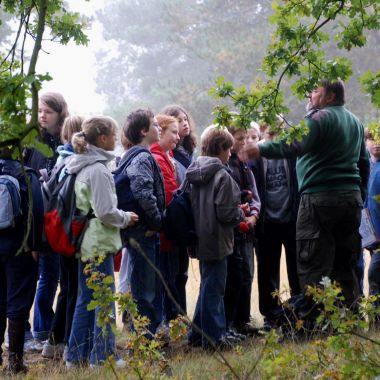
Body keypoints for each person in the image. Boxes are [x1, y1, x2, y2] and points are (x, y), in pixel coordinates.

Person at [241, 80, 369, 325]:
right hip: (349, 199)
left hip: (319, 199)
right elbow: (363, 163)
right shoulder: (355, 122)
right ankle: (350, 320)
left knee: (313, 262)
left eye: (315, 91)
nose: (310, 95)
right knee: (346, 262)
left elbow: (294, 143)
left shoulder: (319, 118)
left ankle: (314, 324)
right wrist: (359, 194)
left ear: (330, 96)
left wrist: (261, 149)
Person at [64, 116, 138, 368]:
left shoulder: (82, 164)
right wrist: (127, 217)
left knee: (87, 298)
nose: (116, 139)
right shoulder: (97, 169)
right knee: (104, 299)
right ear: (103, 138)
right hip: (97, 242)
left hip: (86, 241)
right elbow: (105, 210)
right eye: (113, 135)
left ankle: (75, 356)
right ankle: (103, 357)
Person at [187, 125, 245, 350]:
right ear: (221, 148)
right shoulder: (222, 176)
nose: (230, 154)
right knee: (215, 289)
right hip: (218, 240)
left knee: (207, 285)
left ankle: (196, 334)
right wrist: (241, 212)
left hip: (199, 237)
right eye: (229, 149)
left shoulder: (193, 172)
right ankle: (213, 338)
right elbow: (227, 213)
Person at [23, 92, 69, 351]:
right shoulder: (31, 143)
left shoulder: (63, 140)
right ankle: (39, 328)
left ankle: (46, 328)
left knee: (54, 276)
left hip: (58, 218)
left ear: (59, 113)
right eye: (40, 110)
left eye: (48, 111)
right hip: (37, 219)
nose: (43, 115)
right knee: (45, 276)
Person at [250, 121, 301, 330]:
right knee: (267, 271)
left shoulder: (291, 153)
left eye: (278, 130)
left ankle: (299, 310)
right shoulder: (257, 156)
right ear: (262, 132)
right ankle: (271, 316)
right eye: (270, 131)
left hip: (291, 220)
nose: (274, 135)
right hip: (266, 222)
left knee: (296, 269)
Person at [41, 116, 84, 359]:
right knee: (72, 289)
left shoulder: (60, 159)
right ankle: (66, 341)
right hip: (72, 233)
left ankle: (54, 341)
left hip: (60, 233)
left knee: (66, 287)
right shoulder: (73, 162)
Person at [121, 109, 165, 336]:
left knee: (144, 285)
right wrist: (156, 221)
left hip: (139, 229)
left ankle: (145, 336)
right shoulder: (141, 157)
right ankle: (144, 341)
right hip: (143, 231)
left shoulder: (134, 154)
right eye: (155, 124)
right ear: (143, 131)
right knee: (144, 289)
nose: (159, 128)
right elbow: (142, 191)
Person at [0, 148, 44, 374]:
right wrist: (35, 246)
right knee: (17, 303)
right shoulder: (27, 174)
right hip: (20, 248)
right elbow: (37, 212)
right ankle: (15, 363)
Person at [224, 126, 261, 337]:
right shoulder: (226, 165)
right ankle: (231, 322)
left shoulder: (244, 164)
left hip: (248, 229)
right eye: (240, 138)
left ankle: (243, 320)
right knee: (234, 277)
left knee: (247, 273)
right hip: (233, 230)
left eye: (247, 138)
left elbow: (254, 195)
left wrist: (254, 214)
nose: (245, 142)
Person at [161, 104, 197, 314]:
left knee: (180, 273)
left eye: (185, 119)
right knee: (172, 273)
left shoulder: (187, 151)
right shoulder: (168, 155)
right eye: (178, 122)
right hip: (175, 219)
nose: (184, 124)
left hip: (185, 217)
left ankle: (180, 317)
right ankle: (174, 318)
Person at [151, 114, 181, 323]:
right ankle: (161, 324)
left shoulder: (166, 156)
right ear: (159, 131)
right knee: (162, 280)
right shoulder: (156, 157)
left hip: (169, 230)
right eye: (174, 132)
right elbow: (171, 192)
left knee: (170, 277)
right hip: (163, 230)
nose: (178, 137)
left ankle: (168, 321)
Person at [363, 127, 380, 318]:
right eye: (372, 138)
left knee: (374, 274)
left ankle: (376, 321)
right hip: (371, 235)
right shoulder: (367, 166)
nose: (377, 142)